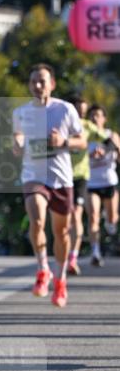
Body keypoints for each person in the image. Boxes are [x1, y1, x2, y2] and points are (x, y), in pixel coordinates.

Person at [12, 64, 86, 308]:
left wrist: (63, 141)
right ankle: (43, 268)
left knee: (61, 232)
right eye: (33, 81)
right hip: (33, 176)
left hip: (61, 179)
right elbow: (18, 138)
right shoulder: (21, 112)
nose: (37, 85)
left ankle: (60, 279)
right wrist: (17, 144)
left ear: (52, 84)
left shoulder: (65, 109)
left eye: (42, 81)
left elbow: (82, 141)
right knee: (37, 219)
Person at [66, 96, 113, 274]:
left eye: (83, 113)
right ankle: (84, 254)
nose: (81, 116)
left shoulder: (88, 127)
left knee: (80, 216)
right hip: (64, 177)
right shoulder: (60, 126)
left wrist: (106, 150)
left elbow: (110, 142)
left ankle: (73, 256)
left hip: (87, 179)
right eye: (77, 112)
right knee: (78, 219)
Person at [86, 104, 120, 266]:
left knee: (112, 219)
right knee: (93, 216)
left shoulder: (111, 135)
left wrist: (112, 148)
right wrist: (90, 155)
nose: (95, 118)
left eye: (98, 115)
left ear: (104, 119)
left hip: (109, 182)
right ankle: (95, 252)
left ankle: (109, 220)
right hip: (91, 183)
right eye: (92, 115)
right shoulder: (84, 138)